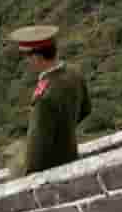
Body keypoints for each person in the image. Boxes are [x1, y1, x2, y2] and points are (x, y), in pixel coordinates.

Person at [6, 25, 91, 177]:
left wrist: (25, 177)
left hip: (52, 170)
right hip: (71, 154)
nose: (26, 62)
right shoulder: (74, 72)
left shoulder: (44, 97)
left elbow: (36, 151)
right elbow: (86, 109)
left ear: (36, 57)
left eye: (26, 57)